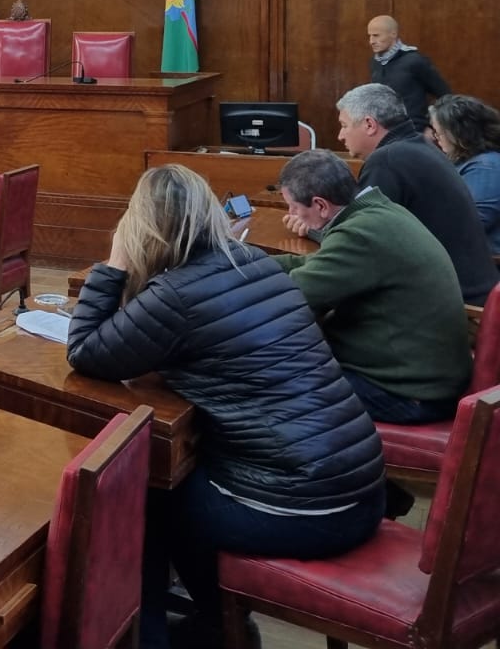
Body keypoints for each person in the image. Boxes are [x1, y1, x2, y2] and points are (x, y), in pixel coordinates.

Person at [67, 165, 385, 649]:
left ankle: (164, 635)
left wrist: (114, 264)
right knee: (176, 477)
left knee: (143, 495)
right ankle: (217, 622)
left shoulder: (176, 295)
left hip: (306, 509)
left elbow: (85, 351)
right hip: (361, 489)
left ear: (142, 226)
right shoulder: (253, 261)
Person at [272, 149, 470, 424]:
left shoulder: (360, 234)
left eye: (293, 207)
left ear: (320, 205)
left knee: (272, 384)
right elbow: (314, 264)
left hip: (410, 394)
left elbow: (292, 296)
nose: (291, 213)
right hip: (427, 375)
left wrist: (234, 281)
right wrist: (250, 261)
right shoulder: (380, 212)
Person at [327, 83, 496, 304]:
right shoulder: (420, 147)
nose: (340, 135)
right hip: (472, 292)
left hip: (456, 303)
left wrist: (318, 227)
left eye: (344, 125)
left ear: (369, 124)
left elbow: (358, 239)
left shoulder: (387, 159)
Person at [429, 93, 500, 259]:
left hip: (484, 261)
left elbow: (473, 222)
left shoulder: (486, 167)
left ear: (459, 133)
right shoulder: (468, 161)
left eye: (439, 133)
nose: (436, 138)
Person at [367, 15, 449, 130]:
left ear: (393, 34)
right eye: (370, 36)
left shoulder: (414, 61)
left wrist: (432, 127)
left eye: (376, 35)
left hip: (414, 130)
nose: (371, 41)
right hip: (385, 131)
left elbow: (445, 95)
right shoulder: (375, 62)